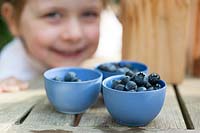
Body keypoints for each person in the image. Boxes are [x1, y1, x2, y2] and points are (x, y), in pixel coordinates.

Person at [0, 0, 109, 92]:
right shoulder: (8, 70)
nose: (75, 34)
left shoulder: (111, 38)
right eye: (53, 15)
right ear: (13, 20)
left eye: (88, 14)